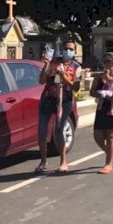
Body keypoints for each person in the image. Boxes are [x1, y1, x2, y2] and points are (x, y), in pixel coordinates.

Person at [36, 39, 82, 173]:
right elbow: (41, 80)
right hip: (48, 98)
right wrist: (46, 65)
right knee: (42, 131)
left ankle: (63, 162)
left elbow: (76, 87)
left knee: (59, 130)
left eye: (71, 49)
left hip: (64, 100)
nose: (68, 51)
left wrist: (63, 75)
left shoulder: (76, 67)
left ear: (75, 51)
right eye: (66, 48)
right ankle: (43, 161)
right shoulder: (53, 62)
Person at [91, 56, 113, 174]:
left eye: (109, 63)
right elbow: (92, 92)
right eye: (104, 63)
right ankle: (109, 152)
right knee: (98, 136)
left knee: (110, 137)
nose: (106, 66)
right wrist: (102, 94)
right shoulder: (99, 77)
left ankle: (108, 163)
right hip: (102, 107)